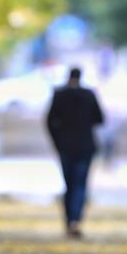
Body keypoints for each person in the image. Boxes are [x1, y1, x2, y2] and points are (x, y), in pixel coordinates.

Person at [46, 67, 104, 239]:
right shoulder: (89, 95)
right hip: (85, 147)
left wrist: (57, 140)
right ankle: (76, 220)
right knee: (80, 184)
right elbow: (100, 119)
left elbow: (49, 121)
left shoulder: (59, 95)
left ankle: (68, 220)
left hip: (65, 147)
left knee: (69, 184)